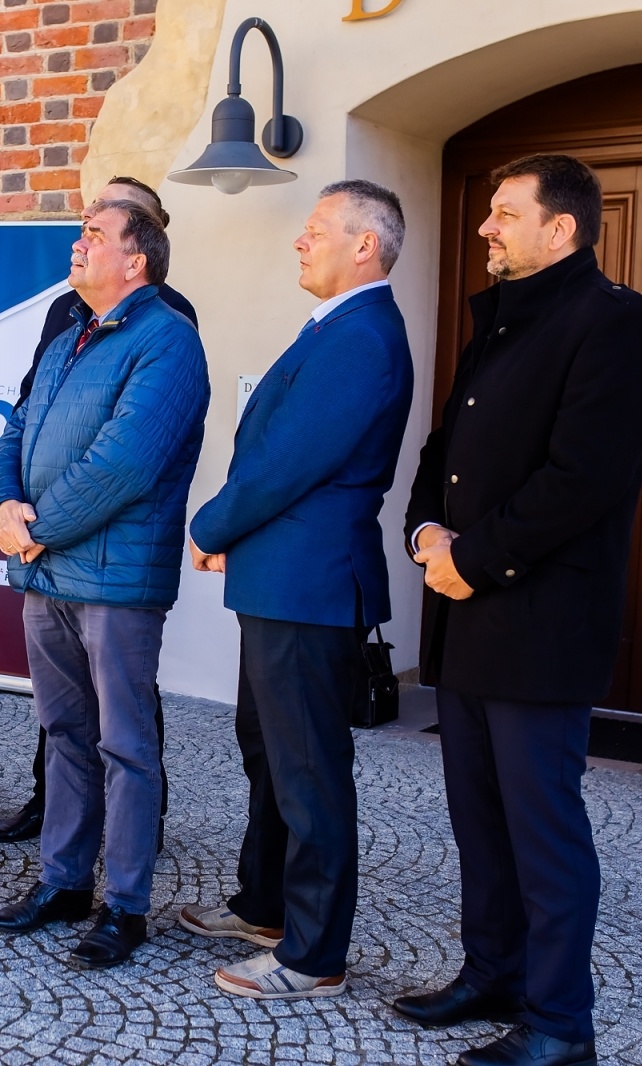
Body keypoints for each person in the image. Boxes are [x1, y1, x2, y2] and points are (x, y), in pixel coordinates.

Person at [395, 154, 642, 1066]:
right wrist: (427, 529)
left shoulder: (613, 323)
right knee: (478, 816)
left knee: (544, 831)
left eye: (504, 214)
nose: (484, 228)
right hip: (465, 616)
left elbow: (582, 479)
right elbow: (447, 447)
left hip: (542, 625)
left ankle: (559, 1024)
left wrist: (473, 557)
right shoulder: (500, 323)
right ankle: (491, 975)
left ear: (562, 230)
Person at [181, 180, 414, 1000]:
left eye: (316, 230)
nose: (299, 241)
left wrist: (212, 527)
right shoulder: (340, 326)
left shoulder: (362, 336)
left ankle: (313, 955)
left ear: (364, 245)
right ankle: (267, 905)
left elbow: (291, 462)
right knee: (269, 752)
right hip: (282, 578)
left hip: (310, 584)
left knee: (309, 769)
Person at [0, 200, 209, 969]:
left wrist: (35, 528)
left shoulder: (168, 340)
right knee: (65, 737)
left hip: (114, 583)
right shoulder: (70, 330)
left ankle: (126, 906)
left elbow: (125, 464)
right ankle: (64, 882)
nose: (79, 246)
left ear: (136, 260)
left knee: (126, 746)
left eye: (95, 236)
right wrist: (3, 508)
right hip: (46, 575)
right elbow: (14, 428)